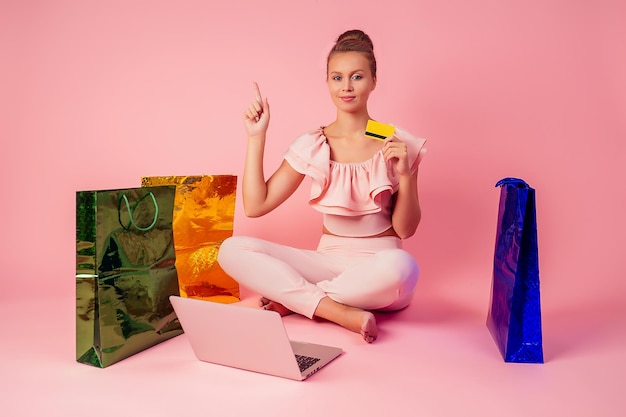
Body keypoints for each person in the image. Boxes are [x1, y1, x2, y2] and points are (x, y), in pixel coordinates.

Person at [217, 29, 426, 343]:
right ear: (327, 83)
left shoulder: (396, 139)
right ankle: (337, 310)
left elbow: (405, 230)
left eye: (356, 77)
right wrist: (256, 136)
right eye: (337, 77)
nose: (346, 87)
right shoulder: (314, 142)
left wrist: (406, 176)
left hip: (379, 267)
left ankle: (296, 301)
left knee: (403, 267)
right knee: (231, 249)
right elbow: (256, 205)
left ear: (373, 81)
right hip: (326, 263)